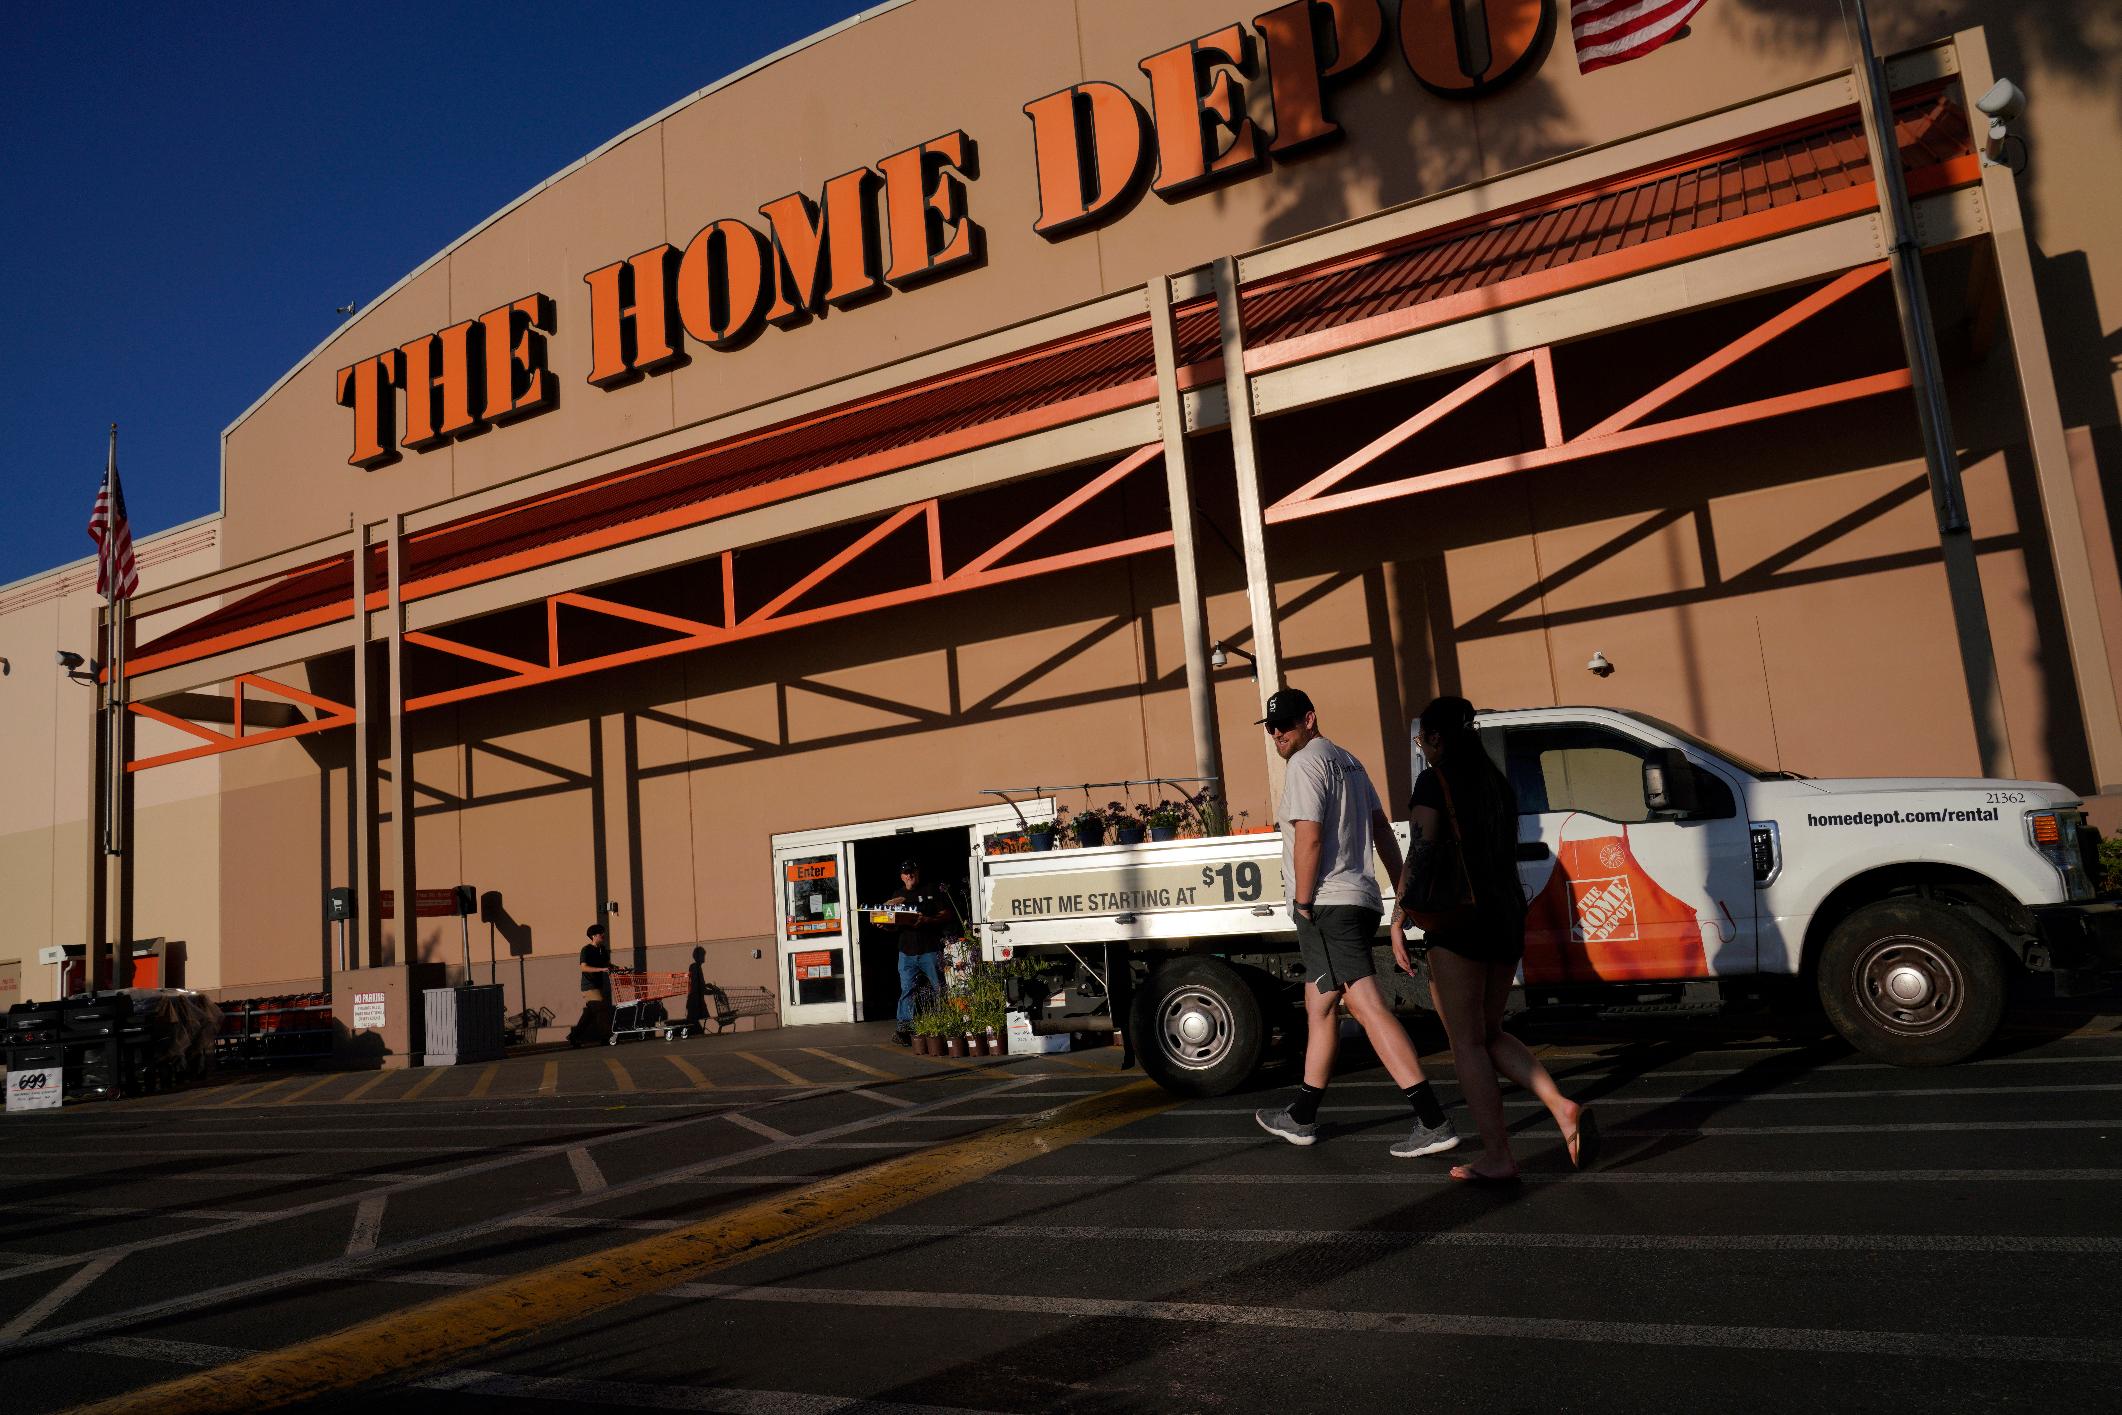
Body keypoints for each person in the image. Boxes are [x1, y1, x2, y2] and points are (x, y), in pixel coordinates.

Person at [1253, 687, 1458, 1159]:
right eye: (1270, 727)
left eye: (1284, 724)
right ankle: (1302, 1115)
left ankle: (1433, 1120)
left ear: (1309, 719)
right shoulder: (1349, 762)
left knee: (1365, 1005)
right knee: (1320, 1006)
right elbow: (1382, 830)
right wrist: (1399, 894)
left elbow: (1309, 836)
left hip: (1325, 903)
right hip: (1357, 898)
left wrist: (1303, 903)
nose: (1277, 733)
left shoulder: (1307, 763)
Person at [1395, 694, 1593, 1183]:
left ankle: (1499, 1156)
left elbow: (1420, 852)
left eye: (1424, 739)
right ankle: (1561, 1106)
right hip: (1505, 916)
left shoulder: (1434, 780)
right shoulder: (1495, 782)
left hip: (1459, 920)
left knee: (1465, 1042)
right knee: (1489, 1031)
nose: (1424, 747)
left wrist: (1400, 916)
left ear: (1437, 738)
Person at [886, 860, 951, 1047]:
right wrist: (883, 926)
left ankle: (945, 1023)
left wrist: (928, 920)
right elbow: (893, 926)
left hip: (930, 949)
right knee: (907, 989)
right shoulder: (897, 896)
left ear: (917, 872)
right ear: (901, 876)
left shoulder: (931, 890)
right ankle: (905, 1029)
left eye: (911, 871)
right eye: (905, 873)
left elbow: (946, 914)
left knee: (940, 987)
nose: (909, 875)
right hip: (906, 952)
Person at [567, 923, 613, 1048]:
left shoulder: (602, 949)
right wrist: (601, 970)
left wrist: (619, 968)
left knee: (590, 1014)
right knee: (601, 1009)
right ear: (593, 936)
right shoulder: (586, 949)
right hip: (589, 986)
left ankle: (574, 1036)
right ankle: (606, 1037)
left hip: (598, 985)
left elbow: (608, 965)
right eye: (600, 933)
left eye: (603, 932)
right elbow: (584, 967)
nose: (603, 935)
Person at [684, 944, 710, 1036]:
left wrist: (706, 985)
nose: (704, 957)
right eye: (703, 955)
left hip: (695, 1000)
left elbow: (697, 983)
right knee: (693, 1024)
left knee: (693, 1023)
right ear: (698, 956)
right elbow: (697, 986)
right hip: (695, 1001)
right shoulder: (696, 967)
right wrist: (711, 991)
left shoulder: (696, 967)